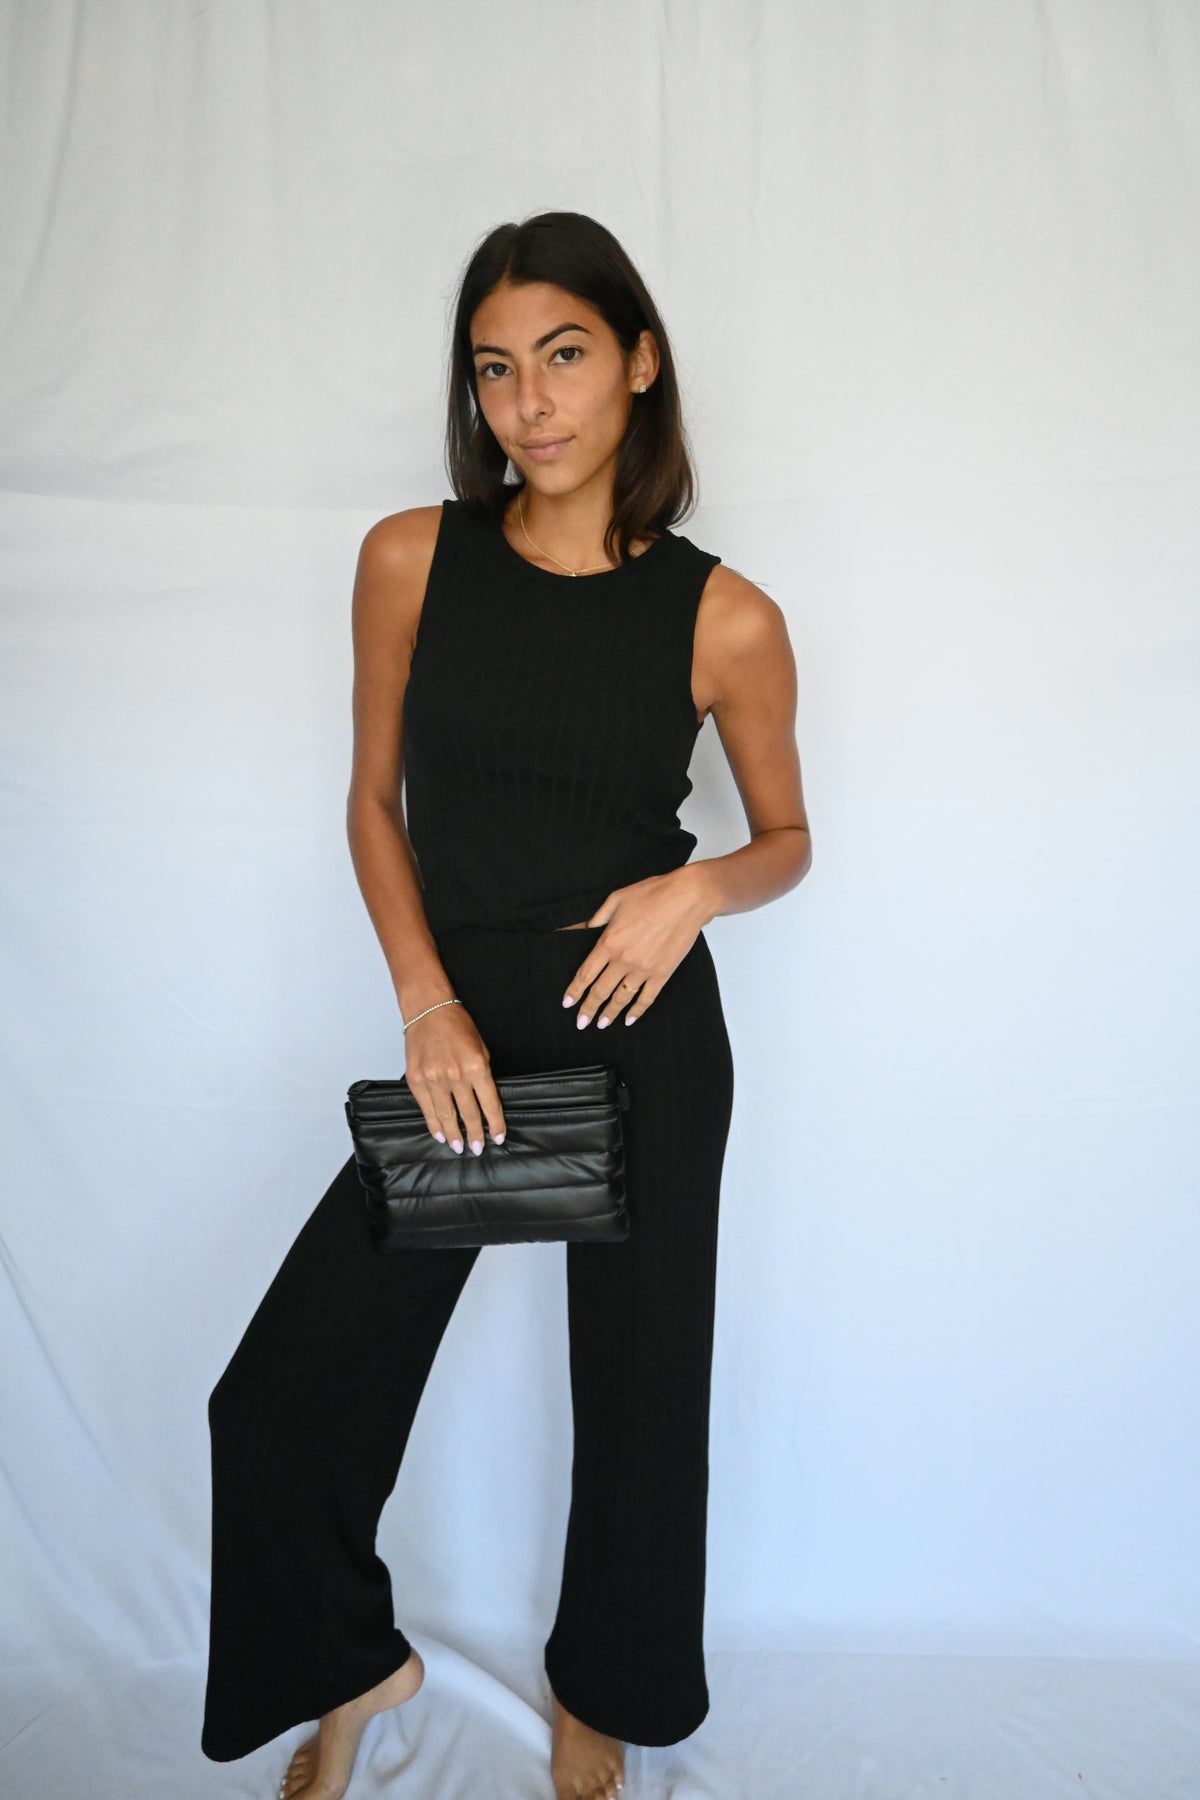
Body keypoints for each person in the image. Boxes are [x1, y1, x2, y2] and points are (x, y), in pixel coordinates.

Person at [200, 209, 811, 1800]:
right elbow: (371, 802)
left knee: (641, 1401)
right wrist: (427, 1002)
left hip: (643, 1029)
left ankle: (602, 1688)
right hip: (467, 1034)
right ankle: (350, 1657)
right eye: (494, 368)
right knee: (277, 1401)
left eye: (565, 355)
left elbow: (788, 841)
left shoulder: (726, 617)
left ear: (640, 363)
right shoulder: (412, 558)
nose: (529, 402)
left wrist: (695, 889)